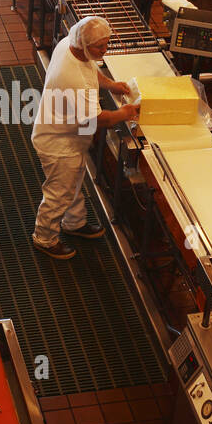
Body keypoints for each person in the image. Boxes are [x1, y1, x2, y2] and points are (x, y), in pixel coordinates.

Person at [31, 15, 140, 261]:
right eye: (99, 46)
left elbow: (92, 68)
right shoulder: (73, 80)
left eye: (107, 43)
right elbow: (97, 120)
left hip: (68, 134)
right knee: (59, 192)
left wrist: (110, 84)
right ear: (83, 44)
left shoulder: (70, 47)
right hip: (58, 142)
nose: (105, 50)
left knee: (72, 182)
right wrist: (125, 112)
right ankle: (44, 237)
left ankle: (74, 223)